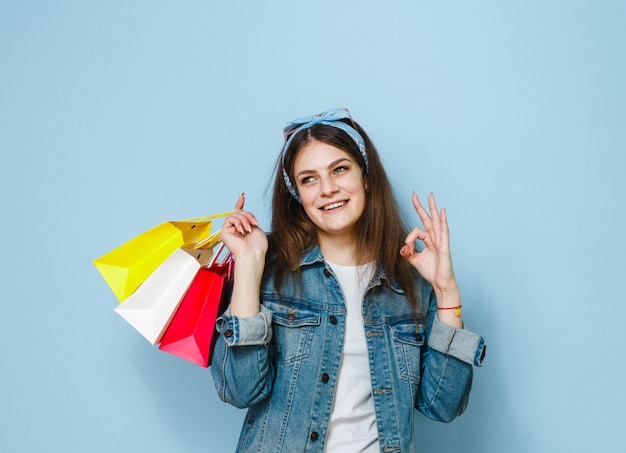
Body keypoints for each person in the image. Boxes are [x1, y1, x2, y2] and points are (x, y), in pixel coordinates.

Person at [211, 108, 486, 452]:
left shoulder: (410, 281)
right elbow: (239, 390)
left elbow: (442, 406)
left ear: (365, 176)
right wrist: (250, 263)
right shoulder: (269, 270)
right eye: (308, 179)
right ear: (297, 194)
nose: (327, 189)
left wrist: (446, 292)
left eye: (340, 169)